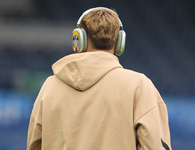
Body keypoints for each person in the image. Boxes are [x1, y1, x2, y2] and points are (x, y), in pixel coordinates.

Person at [27, 7, 172, 150]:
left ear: (79, 39)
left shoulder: (49, 87)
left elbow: (34, 145)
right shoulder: (139, 86)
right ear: (120, 42)